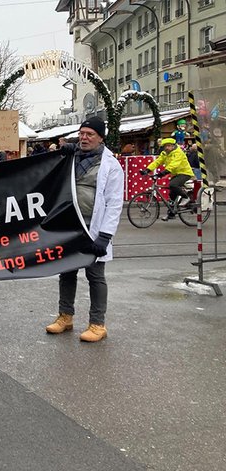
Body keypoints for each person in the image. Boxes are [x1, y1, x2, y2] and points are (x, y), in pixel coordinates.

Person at [46, 116, 124, 342]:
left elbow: (114, 203)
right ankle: (65, 316)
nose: (84, 138)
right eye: (81, 134)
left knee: (95, 276)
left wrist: (105, 236)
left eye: (90, 134)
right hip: (70, 224)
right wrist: (62, 153)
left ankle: (97, 324)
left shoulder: (111, 166)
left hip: (93, 228)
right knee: (67, 272)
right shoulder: (71, 157)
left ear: (101, 138)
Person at [141, 137, 194, 220]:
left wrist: (164, 172)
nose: (166, 148)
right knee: (172, 194)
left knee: (173, 185)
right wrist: (147, 170)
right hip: (175, 174)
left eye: (169, 146)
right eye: (165, 146)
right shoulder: (164, 154)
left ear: (173, 146)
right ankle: (171, 214)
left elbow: (174, 164)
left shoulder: (178, 153)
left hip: (185, 173)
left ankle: (186, 197)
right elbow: (157, 162)